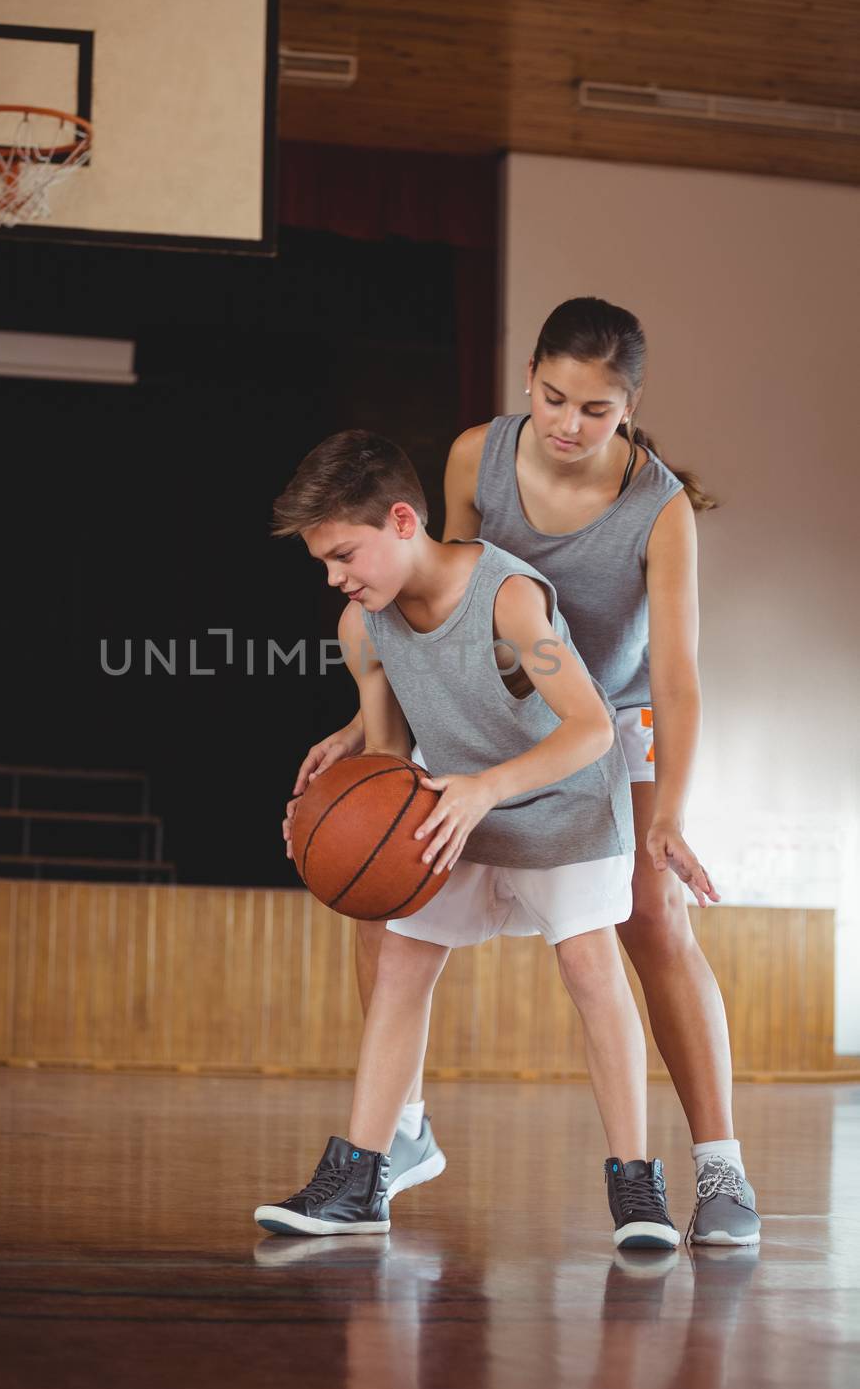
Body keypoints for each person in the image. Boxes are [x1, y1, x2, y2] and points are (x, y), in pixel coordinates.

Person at [283, 297, 760, 1247]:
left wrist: (667, 813)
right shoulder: (475, 457)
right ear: (528, 382)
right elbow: (425, 590)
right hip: (482, 703)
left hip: (600, 718)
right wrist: (361, 718)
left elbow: (674, 677)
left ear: (628, 406)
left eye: (595, 408)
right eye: (552, 398)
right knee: (387, 895)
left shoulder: (658, 508)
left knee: (650, 918)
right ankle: (397, 1136)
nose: (568, 424)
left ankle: (717, 1169)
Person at [256, 429, 679, 1248]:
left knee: (592, 973)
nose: (336, 578)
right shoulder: (363, 629)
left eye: (344, 555)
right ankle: (359, 1178)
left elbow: (592, 730)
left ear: (405, 521)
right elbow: (385, 766)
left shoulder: (506, 599)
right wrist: (327, 821)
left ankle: (637, 1188)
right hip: (454, 808)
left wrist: (486, 788)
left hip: (559, 805)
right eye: (324, 565)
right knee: (400, 963)